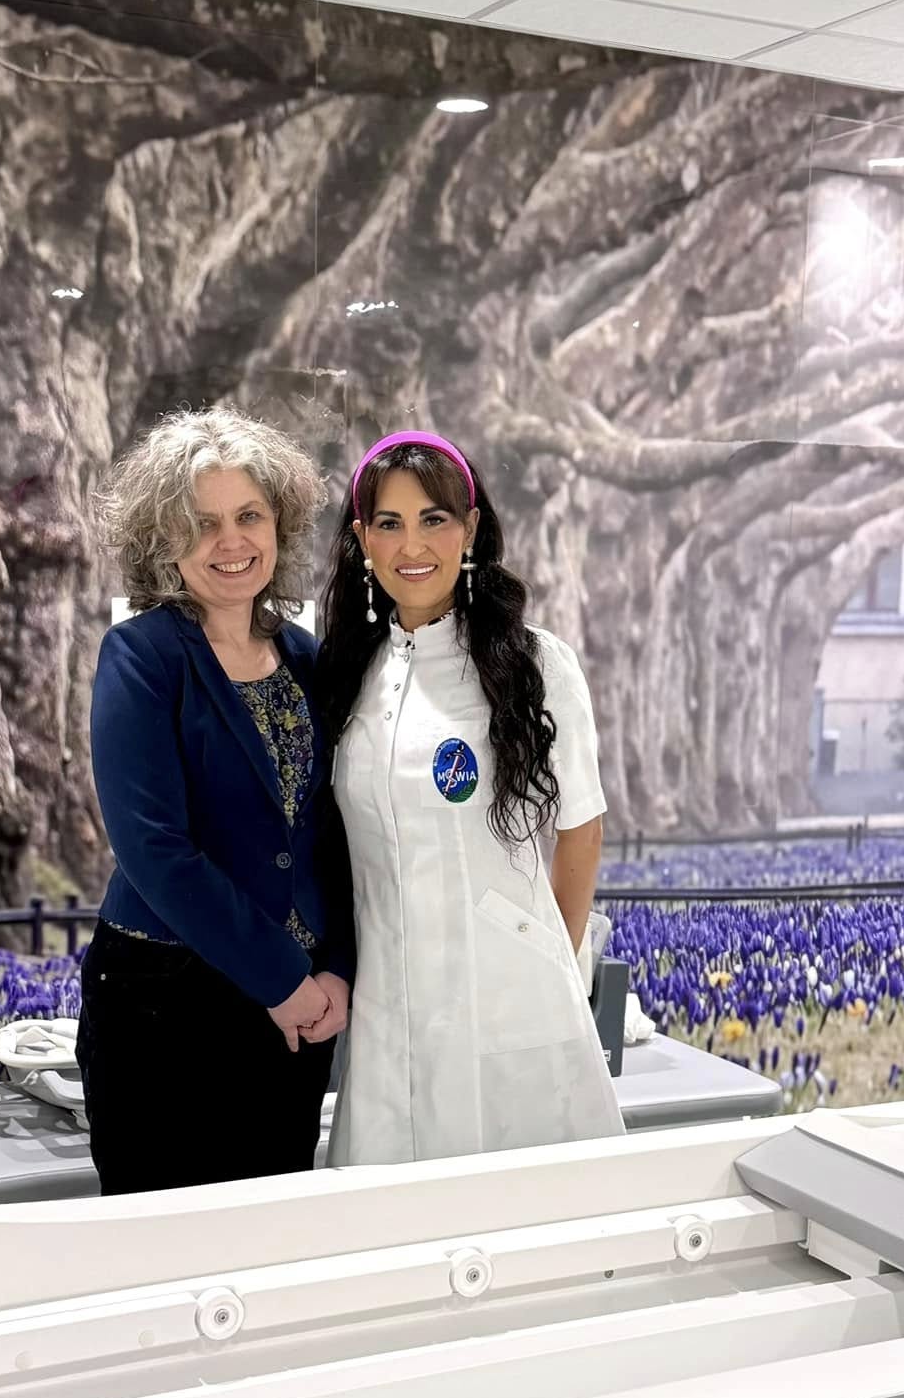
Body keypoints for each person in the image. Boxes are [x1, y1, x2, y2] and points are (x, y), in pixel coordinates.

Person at [316, 429, 622, 1164]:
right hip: (388, 1007)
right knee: (393, 1212)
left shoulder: (536, 665)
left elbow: (581, 830)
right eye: (389, 523)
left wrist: (545, 961)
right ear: (362, 539)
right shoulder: (347, 673)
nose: (412, 545)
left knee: (526, 1209)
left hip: (509, 1001)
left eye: (434, 519)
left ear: (471, 527)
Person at [78, 408, 354, 1195]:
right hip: (164, 1009)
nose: (231, 542)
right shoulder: (140, 656)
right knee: (166, 1246)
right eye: (201, 525)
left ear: (279, 523)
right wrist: (285, 981)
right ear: (164, 540)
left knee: (271, 1236)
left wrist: (337, 970)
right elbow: (153, 848)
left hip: (300, 1014)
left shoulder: (307, 658)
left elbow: (338, 831)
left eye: (248, 516)